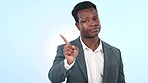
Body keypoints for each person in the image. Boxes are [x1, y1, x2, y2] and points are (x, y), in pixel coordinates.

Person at [48, 1, 125, 83]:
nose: (93, 23)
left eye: (95, 18)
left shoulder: (115, 53)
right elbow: (54, 78)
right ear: (78, 26)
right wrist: (68, 62)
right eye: (86, 21)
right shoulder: (67, 50)